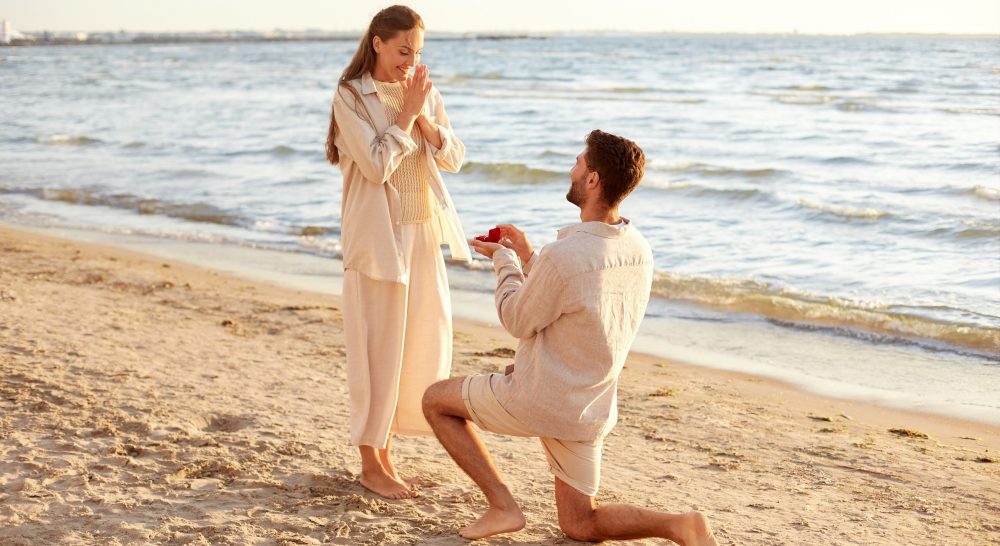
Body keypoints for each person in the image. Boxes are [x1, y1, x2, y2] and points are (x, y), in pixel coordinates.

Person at [422, 130, 718, 544]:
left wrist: (505, 261)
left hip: (539, 398)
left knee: (435, 400)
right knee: (580, 524)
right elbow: (579, 297)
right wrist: (529, 256)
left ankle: (502, 505)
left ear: (593, 179)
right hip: (588, 407)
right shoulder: (638, 248)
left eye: (579, 162)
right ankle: (679, 525)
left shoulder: (565, 256)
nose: (572, 169)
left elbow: (517, 319)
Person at [325, 5, 469, 500]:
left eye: (418, 52)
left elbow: (455, 158)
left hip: (423, 233)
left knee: (418, 348)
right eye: (403, 50)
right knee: (376, 351)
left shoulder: (422, 93)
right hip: (378, 238)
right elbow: (378, 165)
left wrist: (428, 122)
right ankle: (370, 462)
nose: (411, 60)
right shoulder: (351, 96)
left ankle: (386, 454)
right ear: (378, 43)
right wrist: (408, 114)